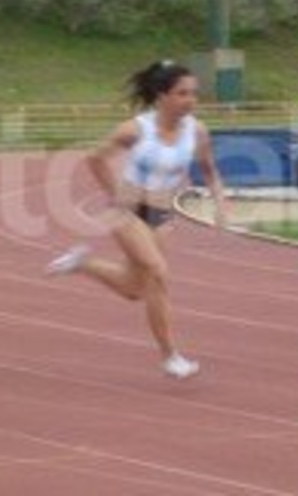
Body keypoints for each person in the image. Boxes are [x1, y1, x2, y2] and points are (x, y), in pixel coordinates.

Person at [46, 60, 230, 379]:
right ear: (162, 96)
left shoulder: (197, 131)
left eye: (194, 94)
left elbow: (210, 170)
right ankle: (170, 356)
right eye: (182, 93)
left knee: (134, 290)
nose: (191, 100)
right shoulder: (136, 129)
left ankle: (81, 264)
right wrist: (116, 192)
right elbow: (95, 158)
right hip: (127, 209)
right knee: (157, 272)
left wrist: (220, 202)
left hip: (162, 213)